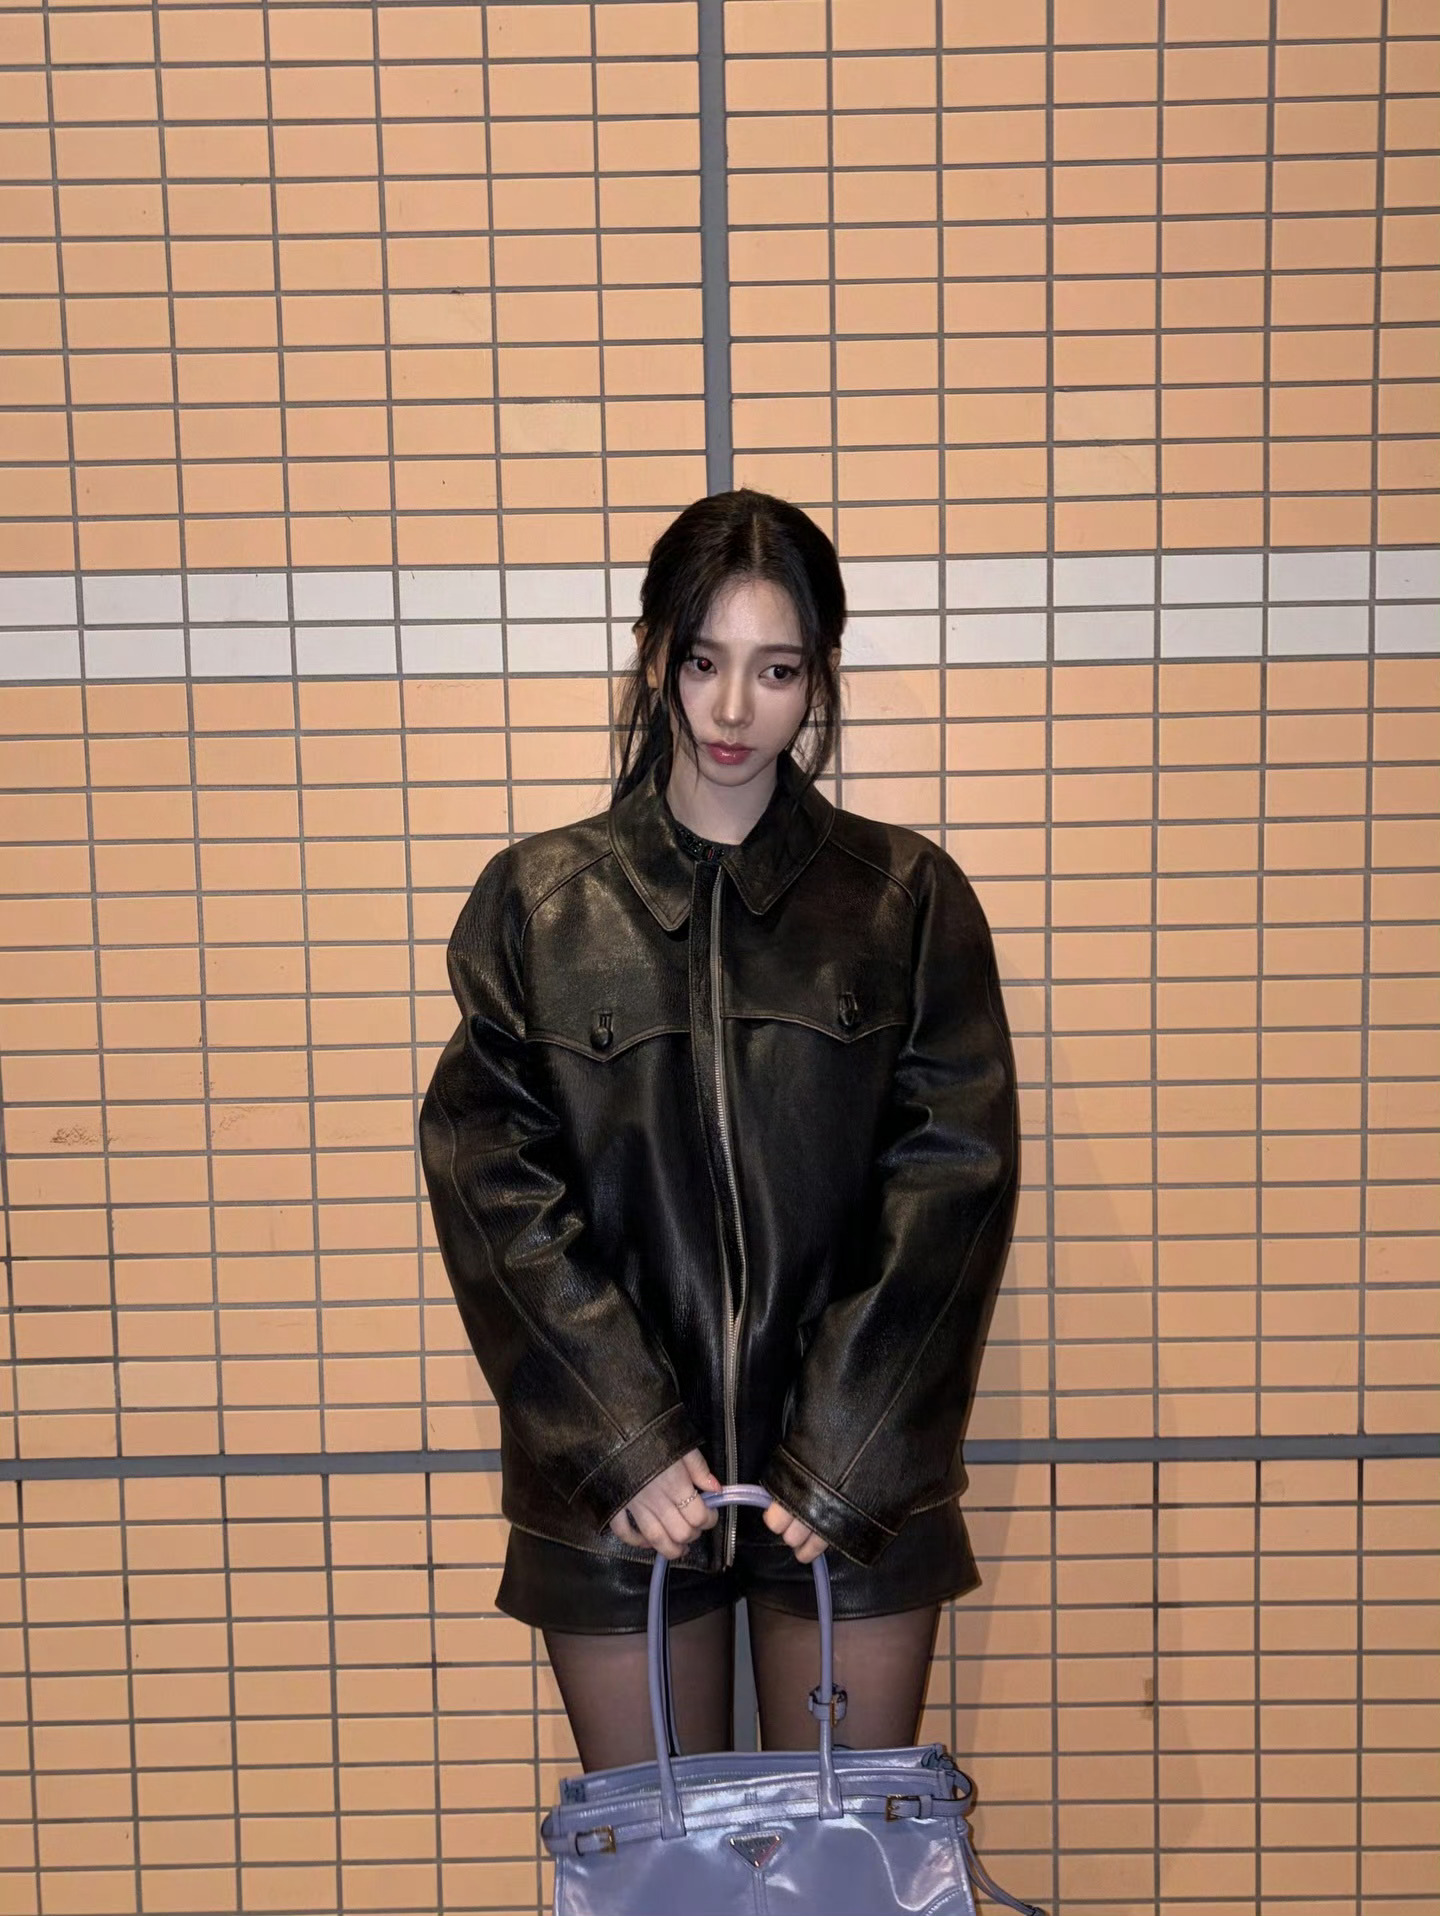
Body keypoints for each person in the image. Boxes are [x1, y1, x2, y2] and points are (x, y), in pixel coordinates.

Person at [419, 488, 1020, 1772]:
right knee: (659, 1864)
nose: (735, 709)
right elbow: (491, 1185)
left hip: (853, 1488)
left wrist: (843, 1450)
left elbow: (953, 1184)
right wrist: (624, 1437)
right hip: (615, 1492)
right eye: (704, 660)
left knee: (844, 1860)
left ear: (820, 677)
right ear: (653, 657)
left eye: (777, 669)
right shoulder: (539, 903)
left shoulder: (905, 898)